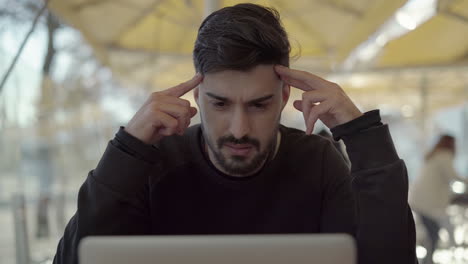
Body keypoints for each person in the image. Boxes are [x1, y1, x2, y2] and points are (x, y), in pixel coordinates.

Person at [53, 4, 416, 264]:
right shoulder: (153, 162)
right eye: (221, 104)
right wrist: (125, 150)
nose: (239, 130)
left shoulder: (318, 161)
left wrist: (364, 136)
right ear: (196, 97)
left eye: (258, 105)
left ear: (284, 98)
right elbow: (74, 259)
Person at [410, 135, 463, 264]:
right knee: (433, 235)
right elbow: (452, 176)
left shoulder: (435, 155)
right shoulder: (444, 156)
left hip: (419, 201)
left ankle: (428, 261)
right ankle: (427, 261)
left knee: (432, 234)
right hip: (427, 204)